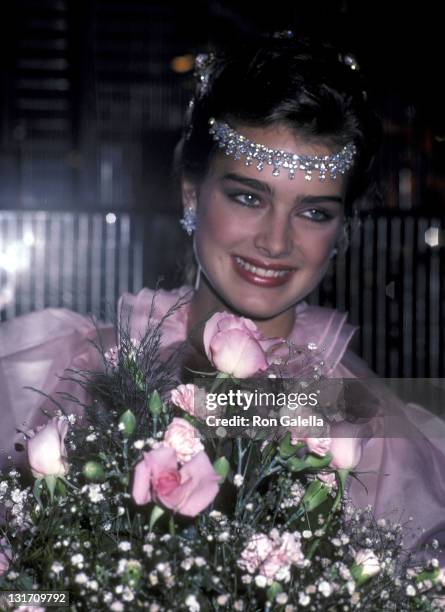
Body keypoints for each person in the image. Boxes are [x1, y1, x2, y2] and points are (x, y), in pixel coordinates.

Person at [0, 34, 444, 564]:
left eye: (315, 212)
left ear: (342, 229)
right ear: (192, 194)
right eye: (248, 197)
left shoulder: (372, 436)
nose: (276, 242)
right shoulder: (65, 366)